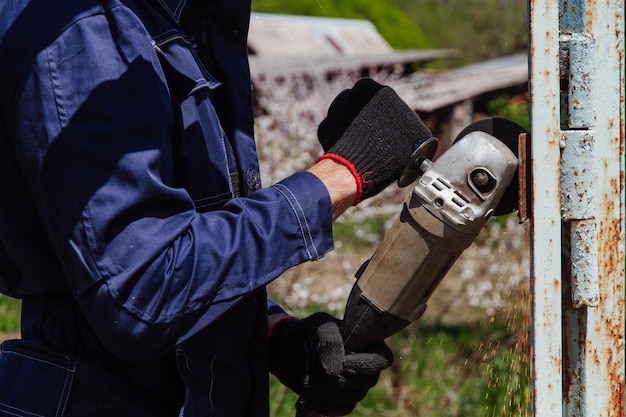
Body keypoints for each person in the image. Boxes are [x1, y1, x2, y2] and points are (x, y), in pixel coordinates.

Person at [0, 1, 434, 416]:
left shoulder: (191, 17)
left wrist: (273, 335)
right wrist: (341, 177)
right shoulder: (85, 26)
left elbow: (178, 236)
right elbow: (137, 288)